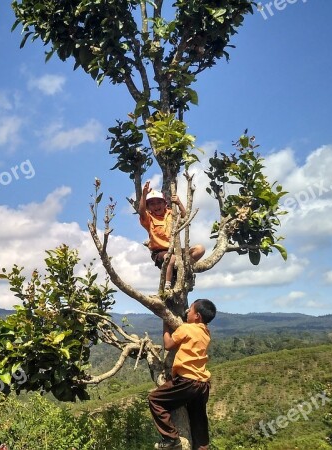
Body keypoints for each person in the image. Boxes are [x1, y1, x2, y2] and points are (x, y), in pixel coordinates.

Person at [148, 299, 216, 450]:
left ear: (197, 315)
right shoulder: (206, 332)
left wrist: (166, 324)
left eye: (190, 310)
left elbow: (168, 344)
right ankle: (202, 446)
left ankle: (171, 438)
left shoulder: (187, 328)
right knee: (198, 418)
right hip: (203, 384)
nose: (187, 313)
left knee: (155, 400)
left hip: (187, 381)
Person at [139, 181, 205, 290]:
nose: (156, 206)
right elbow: (141, 211)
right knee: (171, 258)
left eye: (158, 202)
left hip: (176, 250)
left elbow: (185, 219)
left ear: (164, 203)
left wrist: (179, 203)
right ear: (148, 207)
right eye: (152, 204)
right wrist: (144, 194)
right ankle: (167, 286)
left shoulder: (171, 213)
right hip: (161, 253)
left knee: (200, 249)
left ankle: (184, 269)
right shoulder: (149, 218)